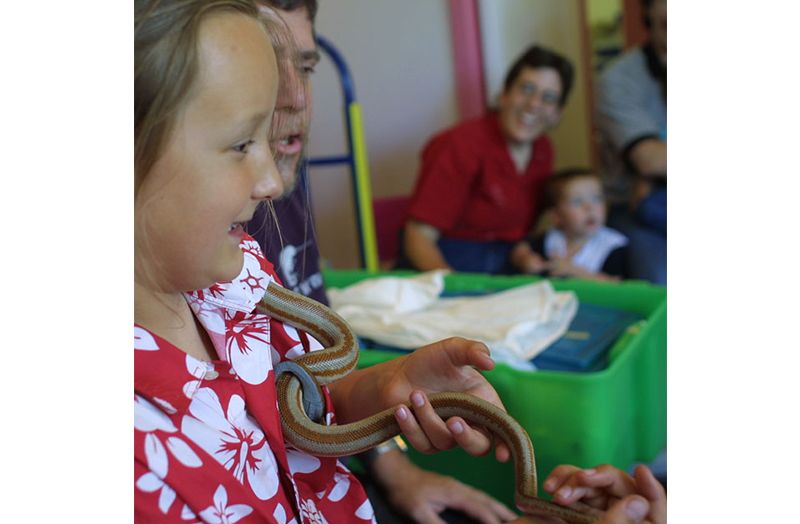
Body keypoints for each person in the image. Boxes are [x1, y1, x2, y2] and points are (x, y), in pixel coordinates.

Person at [134, 1, 522, 521]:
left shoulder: (235, 274)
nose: (271, 182)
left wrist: (384, 387)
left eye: (307, 67)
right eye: (242, 142)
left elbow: (295, 406)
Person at [246, 2, 517, 523]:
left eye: (304, 67)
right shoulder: (207, 234)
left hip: (330, 475)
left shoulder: (282, 183)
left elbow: (314, 386)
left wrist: (388, 399)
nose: (298, 97)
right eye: (263, 65)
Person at [400, 45, 573, 275]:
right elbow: (418, 238)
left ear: (557, 113)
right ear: (504, 95)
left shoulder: (544, 150)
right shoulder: (459, 144)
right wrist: (456, 293)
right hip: (448, 267)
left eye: (548, 98)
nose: (534, 104)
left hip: (506, 269)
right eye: (526, 89)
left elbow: (519, 233)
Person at [595, 0, 667, 285]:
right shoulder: (620, 77)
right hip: (634, 208)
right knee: (661, 282)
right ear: (649, 9)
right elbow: (651, 160)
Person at [510, 168, 628, 281]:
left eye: (597, 199)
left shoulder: (613, 245)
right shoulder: (550, 239)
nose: (590, 207)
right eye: (577, 202)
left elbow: (617, 285)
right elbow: (520, 248)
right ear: (556, 216)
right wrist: (524, 259)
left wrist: (573, 271)